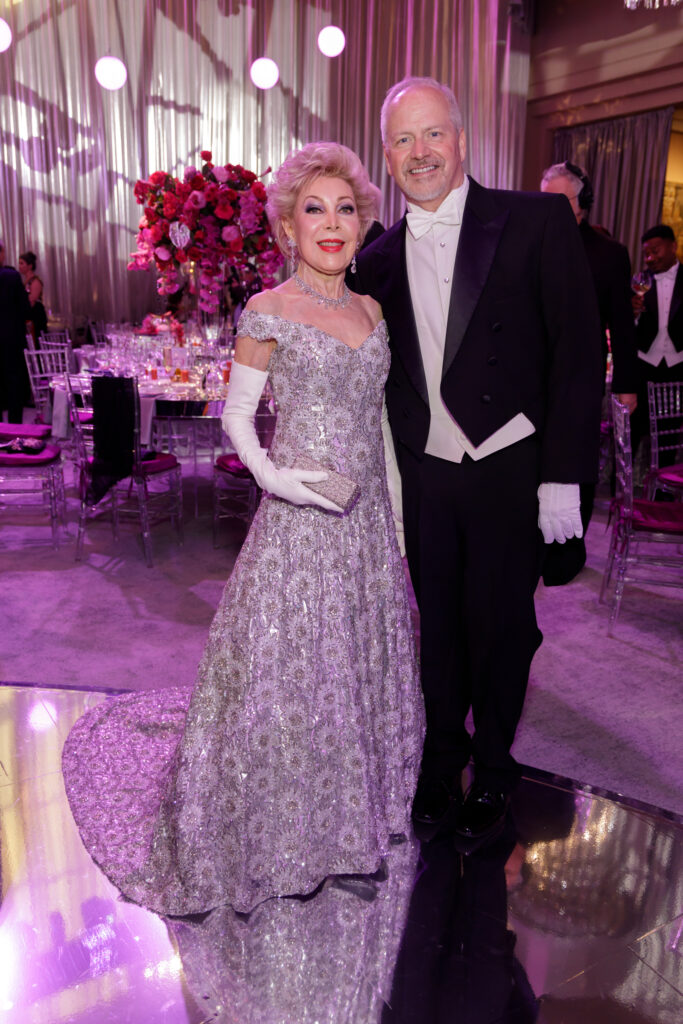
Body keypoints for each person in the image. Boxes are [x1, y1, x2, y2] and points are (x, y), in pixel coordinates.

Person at [62, 142, 425, 916]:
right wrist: (277, 480)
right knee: (298, 677)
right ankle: (290, 832)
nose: (331, 224)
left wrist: (394, 523)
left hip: (366, 530)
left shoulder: (373, 311)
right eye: (313, 210)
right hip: (299, 522)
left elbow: (381, 427)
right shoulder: (267, 309)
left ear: (363, 221)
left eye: (345, 208)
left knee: (358, 669)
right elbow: (236, 418)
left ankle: (352, 822)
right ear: (289, 226)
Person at [353, 77, 602, 842]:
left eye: (433, 135)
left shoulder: (532, 220)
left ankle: (493, 769)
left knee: (501, 628)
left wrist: (562, 474)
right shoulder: (378, 257)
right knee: (439, 631)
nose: (419, 153)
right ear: (387, 155)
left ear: (460, 140)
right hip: (427, 475)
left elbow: (573, 356)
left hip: (507, 468)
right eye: (403, 139)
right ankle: (439, 761)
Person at [539, 161, 639, 584]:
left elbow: (621, 322)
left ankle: (566, 555)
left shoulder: (608, 254)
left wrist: (628, 384)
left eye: (559, 200)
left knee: (574, 459)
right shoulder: (528, 243)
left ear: (583, 205)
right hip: (531, 373)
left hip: (583, 374)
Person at [630, 223, 683, 464]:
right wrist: (633, 314)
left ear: (673, 246)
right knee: (632, 434)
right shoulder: (638, 282)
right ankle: (622, 494)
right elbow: (625, 329)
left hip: (677, 368)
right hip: (643, 367)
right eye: (646, 253)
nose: (650, 258)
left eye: (656, 250)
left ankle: (663, 497)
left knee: (668, 438)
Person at [0, 248, 31, 423]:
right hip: (11, 340)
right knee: (14, 387)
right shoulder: (11, 277)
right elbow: (25, 309)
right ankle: (14, 432)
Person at [18, 249, 48, 342]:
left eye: (22, 263)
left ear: (30, 266)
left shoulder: (35, 281)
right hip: (28, 317)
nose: (19, 266)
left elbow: (31, 301)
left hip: (35, 317)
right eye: (19, 263)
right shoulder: (25, 282)